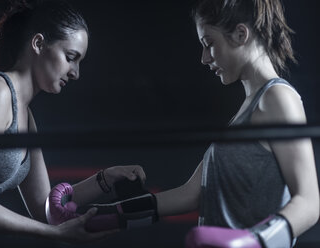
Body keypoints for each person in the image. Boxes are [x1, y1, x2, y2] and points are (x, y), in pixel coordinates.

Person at [51, 0, 319, 247]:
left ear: (240, 34)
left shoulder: (278, 98)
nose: (204, 57)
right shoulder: (246, 110)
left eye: (208, 42)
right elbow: (191, 194)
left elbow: (309, 202)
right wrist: (104, 216)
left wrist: (250, 242)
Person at [0, 0, 146, 247]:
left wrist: (105, 178)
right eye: (70, 57)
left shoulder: (25, 116)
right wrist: (54, 234)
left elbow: (45, 207)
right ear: (38, 43)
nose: (75, 73)